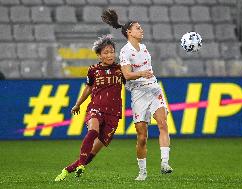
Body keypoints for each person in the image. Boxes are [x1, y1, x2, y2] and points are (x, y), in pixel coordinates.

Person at [102, 9, 173, 181]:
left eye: (141, 28)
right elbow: (126, 75)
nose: (141, 30)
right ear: (129, 32)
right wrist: (142, 74)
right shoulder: (125, 52)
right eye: (138, 28)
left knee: (163, 123)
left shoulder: (144, 48)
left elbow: (146, 72)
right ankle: (142, 171)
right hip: (139, 93)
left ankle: (165, 163)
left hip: (153, 89)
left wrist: (147, 76)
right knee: (142, 136)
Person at [55, 35, 124, 181]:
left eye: (112, 51)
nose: (110, 55)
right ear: (99, 55)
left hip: (113, 114)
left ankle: (67, 170)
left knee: (92, 153)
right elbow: (88, 89)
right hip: (96, 107)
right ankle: (81, 167)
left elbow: (131, 80)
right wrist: (78, 104)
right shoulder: (93, 70)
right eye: (106, 52)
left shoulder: (120, 69)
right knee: (93, 130)